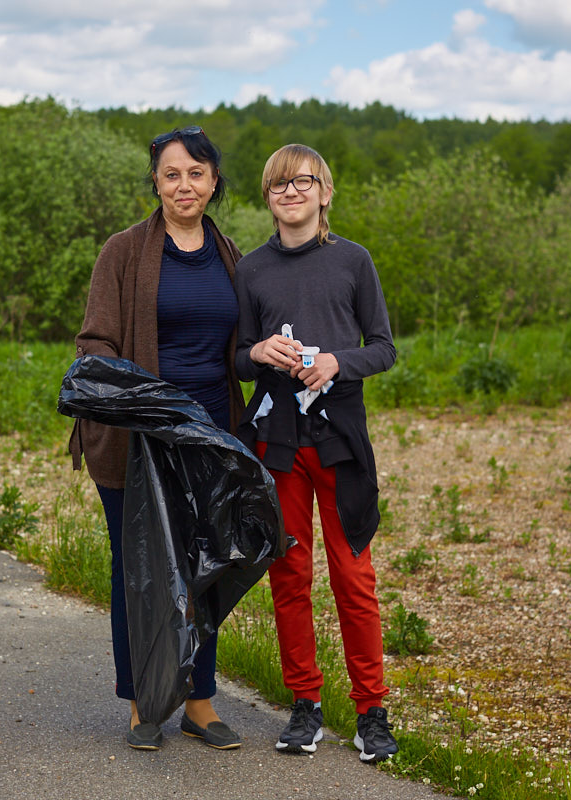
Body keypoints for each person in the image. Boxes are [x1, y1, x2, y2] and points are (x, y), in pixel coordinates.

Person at [69, 126, 245, 752]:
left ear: (214, 181)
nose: (184, 185)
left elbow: (241, 348)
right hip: (137, 443)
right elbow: (95, 343)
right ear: (156, 182)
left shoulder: (231, 255)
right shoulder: (123, 252)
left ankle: (199, 702)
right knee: (140, 574)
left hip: (209, 439)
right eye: (172, 174)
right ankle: (145, 701)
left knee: (205, 569)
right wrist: (152, 404)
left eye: (196, 173)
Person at [233, 144, 400, 763]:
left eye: (303, 181)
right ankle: (305, 705)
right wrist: (257, 354)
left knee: (354, 579)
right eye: (279, 184)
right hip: (277, 445)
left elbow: (383, 347)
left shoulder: (353, 261)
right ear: (268, 197)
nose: (291, 192)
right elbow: (237, 358)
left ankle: (371, 711)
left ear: (325, 192)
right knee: (290, 576)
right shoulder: (251, 270)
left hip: (340, 442)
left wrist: (336, 362)